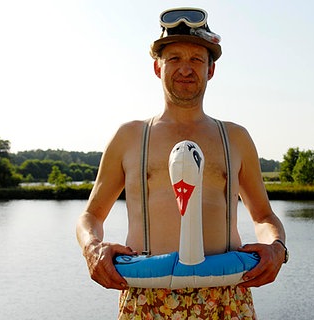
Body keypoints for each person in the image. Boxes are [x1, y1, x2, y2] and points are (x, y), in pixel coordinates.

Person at [76, 7, 288, 319]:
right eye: (174, 58)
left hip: (226, 296)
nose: (185, 68)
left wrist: (277, 249)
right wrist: (92, 248)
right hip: (146, 297)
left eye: (196, 60)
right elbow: (90, 216)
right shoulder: (128, 136)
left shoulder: (236, 137)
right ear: (156, 67)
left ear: (210, 70)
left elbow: (265, 216)